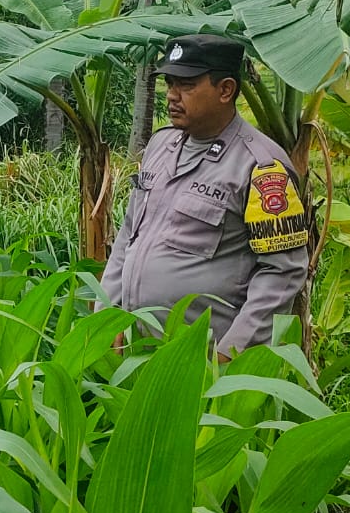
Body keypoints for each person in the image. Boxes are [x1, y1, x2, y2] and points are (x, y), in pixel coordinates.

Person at [101, 33, 310, 357]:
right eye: (170, 83)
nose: (172, 96)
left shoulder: (262, 167)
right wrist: (106, 316)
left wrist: (232, 353)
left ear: (225, 90)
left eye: (186, 85)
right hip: (134, 349)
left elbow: (283, 272)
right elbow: (129, 236)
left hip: (203, 359)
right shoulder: (160, 145)